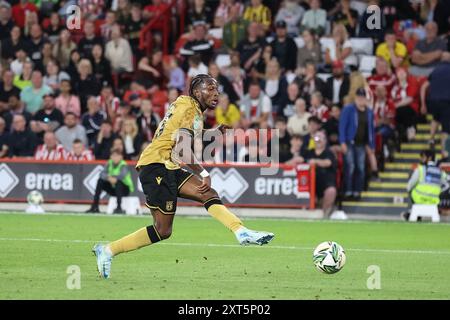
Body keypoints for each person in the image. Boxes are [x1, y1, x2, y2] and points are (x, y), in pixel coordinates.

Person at [92, 74, 274, 279]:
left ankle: (241, 231)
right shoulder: (188, 108)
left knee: (208, 194)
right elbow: (183, 149)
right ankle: (108, 250)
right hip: (155, 166)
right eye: (210, 89)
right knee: (163, 230)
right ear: (197, 92)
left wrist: (212, 133)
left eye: (217, 90)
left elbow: (182, 134)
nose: (216, 93)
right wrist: (204, 173)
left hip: (168, 165)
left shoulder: (189, 108)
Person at [339, 88, 375, 199]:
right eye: (359, 97)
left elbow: (371, 129)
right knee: (350, 166)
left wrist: (371, 144)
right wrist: (342, 142)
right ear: (355, 98)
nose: (360, 99)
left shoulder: (369, 112)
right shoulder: (348, 109)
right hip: (350, 142)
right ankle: (348, 190)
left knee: (360, 168)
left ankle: (357, 191)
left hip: (362, 144)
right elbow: (342, 126)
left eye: (362, 97)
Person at [402, 150, 447, 221]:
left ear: (429, 158)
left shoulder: (420, 169)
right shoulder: (440, 171)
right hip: (433, 200)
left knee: (411, 189)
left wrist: (408, 188)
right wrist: (440, 190)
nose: (421, 159)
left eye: (423, 157)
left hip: (419, 198)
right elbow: (446, 185)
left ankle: (411, 211)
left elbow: (410, 185)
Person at [86, 149, 135, 214]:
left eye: (117, 156)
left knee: (119, 183)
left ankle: (119, 208)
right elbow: (102, 174)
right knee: (100, 181)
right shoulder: (109, 163)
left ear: (121, 157)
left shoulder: (123, 164)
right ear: (111, 157)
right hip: (114, 189)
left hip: (125, 190)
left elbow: (122, 175)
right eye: (113, 156)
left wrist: (113, 178)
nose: (115, 158)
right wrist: (109, 178)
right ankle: (95, 206)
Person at [304, 131, 337, 218]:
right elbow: (302, 161)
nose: (318, 140)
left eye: (320, 138)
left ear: (325, 141)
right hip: (311, 184)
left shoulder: (329, 153)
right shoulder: (309, 152)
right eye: (316, 138)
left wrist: (315, 161)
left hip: (326, 184)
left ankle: (324, 214)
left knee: (331, 191)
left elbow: (328, 162)